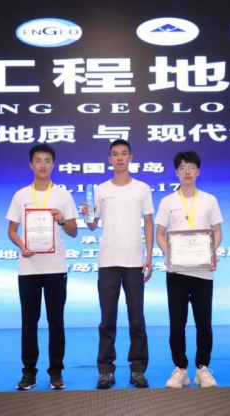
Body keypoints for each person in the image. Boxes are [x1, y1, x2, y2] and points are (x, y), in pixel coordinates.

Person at [82, 139, 154, 389]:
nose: (120, 158)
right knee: (107, 319)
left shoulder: (142, 188)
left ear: (131, 158)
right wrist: (87, 215)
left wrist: (149, 256)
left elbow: (148, 222)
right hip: (108, 261)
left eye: (124, 153)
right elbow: (92, 224)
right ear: (109, 159)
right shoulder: (100, 189)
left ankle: (138, 369)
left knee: (137, 319)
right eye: (115, 154)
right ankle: (106, 370)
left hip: (134, 261)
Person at [6, 144, 78, 391]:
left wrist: (62, 219)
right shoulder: (21, 195)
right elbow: (11, 231)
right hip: (29, 267)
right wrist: (22, 246)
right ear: (31, 164)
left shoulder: (63, 195)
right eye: (38, 160)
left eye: (47, 160)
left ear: (53, 164)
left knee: (56, 321)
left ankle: (56, 372)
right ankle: (29, 373)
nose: (43, 165)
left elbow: (73, 231)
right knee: (29, 322)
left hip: (56, 267)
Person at [155, 151, 223, 388]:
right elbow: (160, 234)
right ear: (176, 172)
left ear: (198, 171)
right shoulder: (167, 202)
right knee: (177, 323)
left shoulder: (209, 200)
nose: (187, 171)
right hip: (177, 273)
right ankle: (180, 369)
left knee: (204, 323)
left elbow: (217, 231)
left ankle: (202, 368)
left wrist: (211, 252)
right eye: (183, 167)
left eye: (191, 167)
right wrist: (170, 255)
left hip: (203, 271)